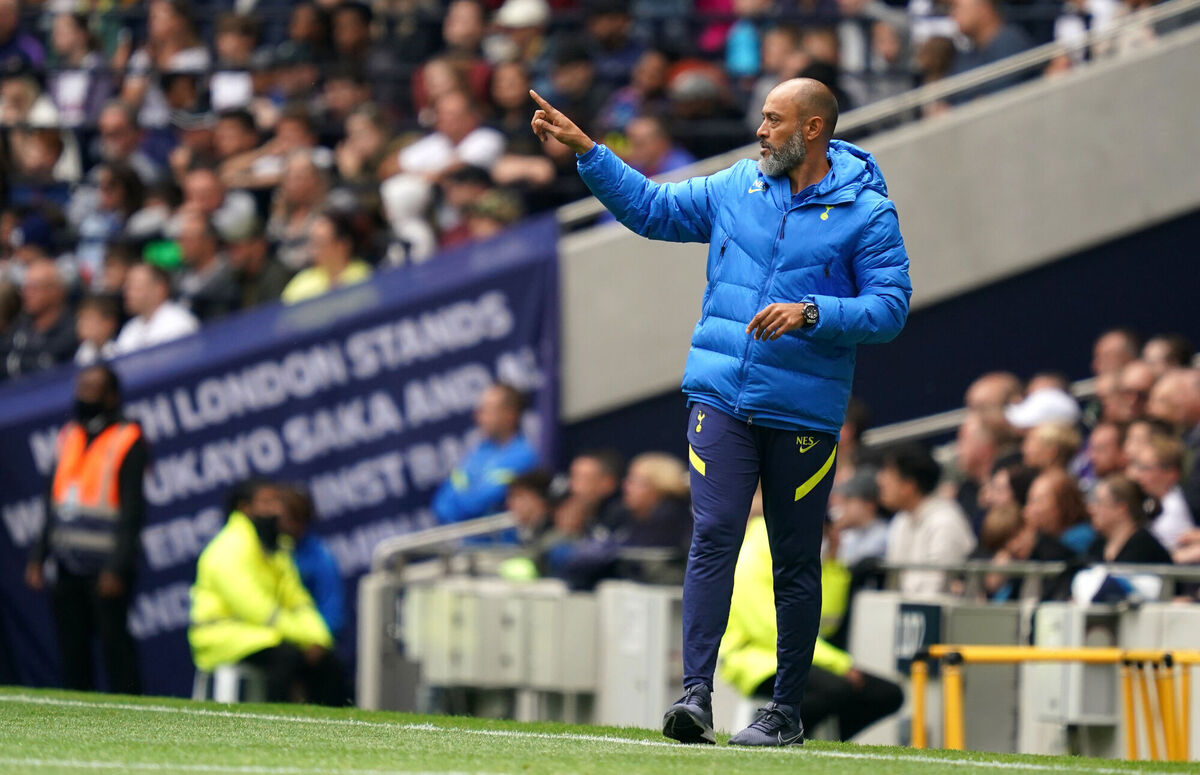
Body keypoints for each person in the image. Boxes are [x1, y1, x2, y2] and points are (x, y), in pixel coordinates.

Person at [529, 76, 911, 746]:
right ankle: (695, 697)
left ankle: (784, 712)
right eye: (762, 119)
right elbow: (651, 209)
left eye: (773, 120)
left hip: (804, 412)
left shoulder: (868, 213)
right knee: (715, 533)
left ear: (814, 129)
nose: (759, 131)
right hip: (721, 395)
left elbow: (890, 309)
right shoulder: (738, 185)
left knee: (795, 558)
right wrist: (589, 151)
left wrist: (813, 312)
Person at [719, 511, 903, 742]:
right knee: (839, 688)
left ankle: (821, 739)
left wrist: (833, 563)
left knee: (888, 694)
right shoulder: (753, 556)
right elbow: (769, 631)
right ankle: (771, 730)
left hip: (800, 653)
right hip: (756, 659)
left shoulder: (798, 554)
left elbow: (827, 622)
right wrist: (840, 664)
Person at [25, 364, 147, 694]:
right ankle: (79, 717)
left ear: (110, 396)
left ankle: (134, 712)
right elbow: (53, 501)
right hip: (66, 563)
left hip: (106, 565)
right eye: (82, 388)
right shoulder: (69, 434)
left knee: (114, 645)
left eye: (94, 389)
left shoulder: (127, 436)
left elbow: (133, 511)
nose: (85, 395)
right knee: (72, 649)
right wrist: (39, 555)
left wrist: (116, 568)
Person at [189, 480, 343, 705]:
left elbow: (299, 601)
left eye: (278, 502)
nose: (277, 510)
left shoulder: (276, 548)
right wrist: (303, 638)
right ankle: (273, 726)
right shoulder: (227, 549)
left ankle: (330, 733)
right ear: (245, 508)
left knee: (326, 661)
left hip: (262, 635)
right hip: (221, 640)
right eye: (267, 503)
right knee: (287, 657)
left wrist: (318, 639)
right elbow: (258, 610)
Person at [431, 383, 539, 526]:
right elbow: (441, 506)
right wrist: (470, 493)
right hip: (470, 547)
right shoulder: (476, 455)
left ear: (510, 414)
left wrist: (465, 492)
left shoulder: (524, 456)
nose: (479, 417)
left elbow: (477, 503)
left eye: (488, 410)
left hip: (507, 546)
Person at [879, 443, 977, 596]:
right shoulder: (901, 521)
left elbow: (937, 594)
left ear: (909, 486)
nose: (880, 481)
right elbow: (894, 585)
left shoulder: (945, 523)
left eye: (888, 474)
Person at [279, 485, 345, 641]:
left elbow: (333, 617)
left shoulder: (321, 558)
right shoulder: (269, 552)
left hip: (311, 647)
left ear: (299, 521)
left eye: (283, 519)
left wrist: (313, 643)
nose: (277, 525)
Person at [0, 258, 76, 380]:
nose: (26, 294)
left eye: (33, 288)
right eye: (25, 288)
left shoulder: (72, 331)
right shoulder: (17, 325)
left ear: (55, 291)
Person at [280, 210, 372, 305]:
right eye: (312, 242)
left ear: (343, 245)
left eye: (320, 243)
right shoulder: (302, 281)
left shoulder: (364, 276)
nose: (313, 251)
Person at [1127, 433, 1195, 552]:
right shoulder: (1151, 504)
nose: (1139, 475)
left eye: (1146, 468)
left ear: (1171, 473)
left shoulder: (1175, 507)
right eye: (1139, 467)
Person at [113, 263, 200, 354]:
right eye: (127, 287)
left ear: (159, 289)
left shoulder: (179, 322)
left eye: (135, 287)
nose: (128, 293)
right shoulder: (130, 328)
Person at [1087, 474, 1173, 564]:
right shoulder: (1097, 546)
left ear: (1121, 508)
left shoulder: (1144, 548)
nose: (1091, 509)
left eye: (1098, 503)